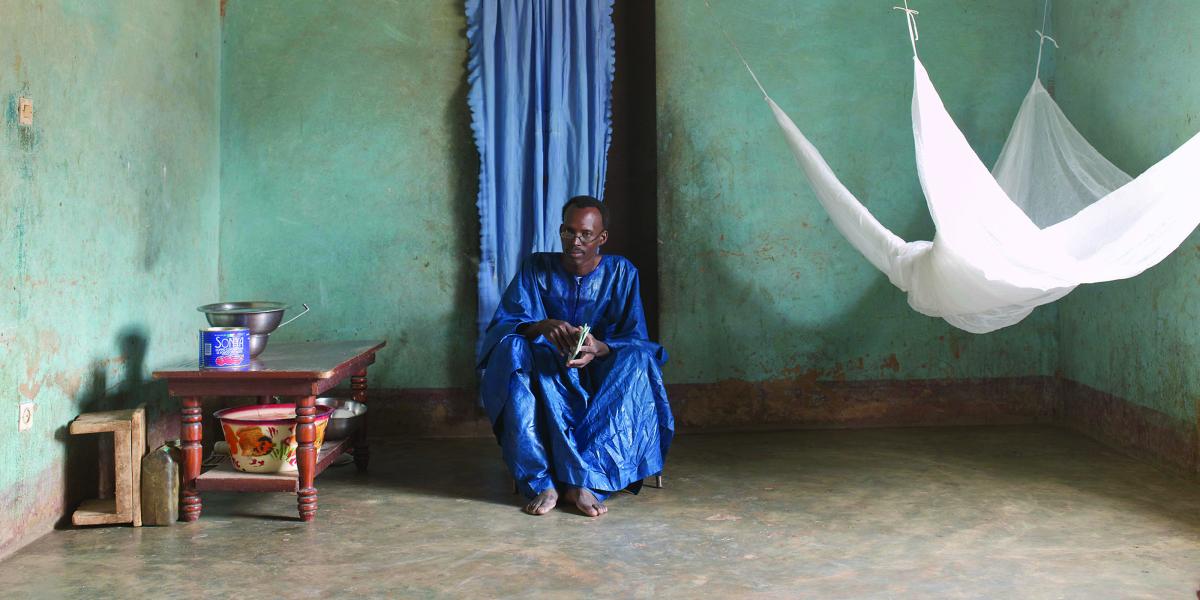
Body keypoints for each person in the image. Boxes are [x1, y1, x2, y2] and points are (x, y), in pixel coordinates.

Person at [477, 195, 674, 517]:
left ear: (602, 238)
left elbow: (633, 337)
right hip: (547, 367)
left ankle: (584, 480)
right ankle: (542, 481)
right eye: (568, 232)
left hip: (601, 368)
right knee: (512, 351)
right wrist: (542, 326)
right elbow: (506, 323)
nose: (575, 241)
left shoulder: (622, 272)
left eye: (585, 234)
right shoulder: (536, 267)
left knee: (639, 360)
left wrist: (599, 348)